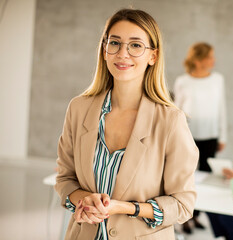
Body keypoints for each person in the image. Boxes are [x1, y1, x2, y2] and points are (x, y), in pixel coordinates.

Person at [54, 9, 199, 240]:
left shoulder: (171, 121)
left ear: (153, 56)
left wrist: (124, 208)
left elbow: (182, 204)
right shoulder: (78, 108)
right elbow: (65, 180)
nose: (123, 53)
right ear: (104, 51)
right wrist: (83, 198)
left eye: (135, 45)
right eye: (115, 43)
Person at [174, 42, 227, 234]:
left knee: (205, 178)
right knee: (186, 177)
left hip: (210, 136)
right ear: (199, 60)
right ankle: (183, 218)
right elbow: (177, 110)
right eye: (210, 56)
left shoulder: (218, 79)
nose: (214, 60)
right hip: (188, 135)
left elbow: (221, 108)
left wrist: (223, 135)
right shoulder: (182, 81)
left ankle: (195, 216)